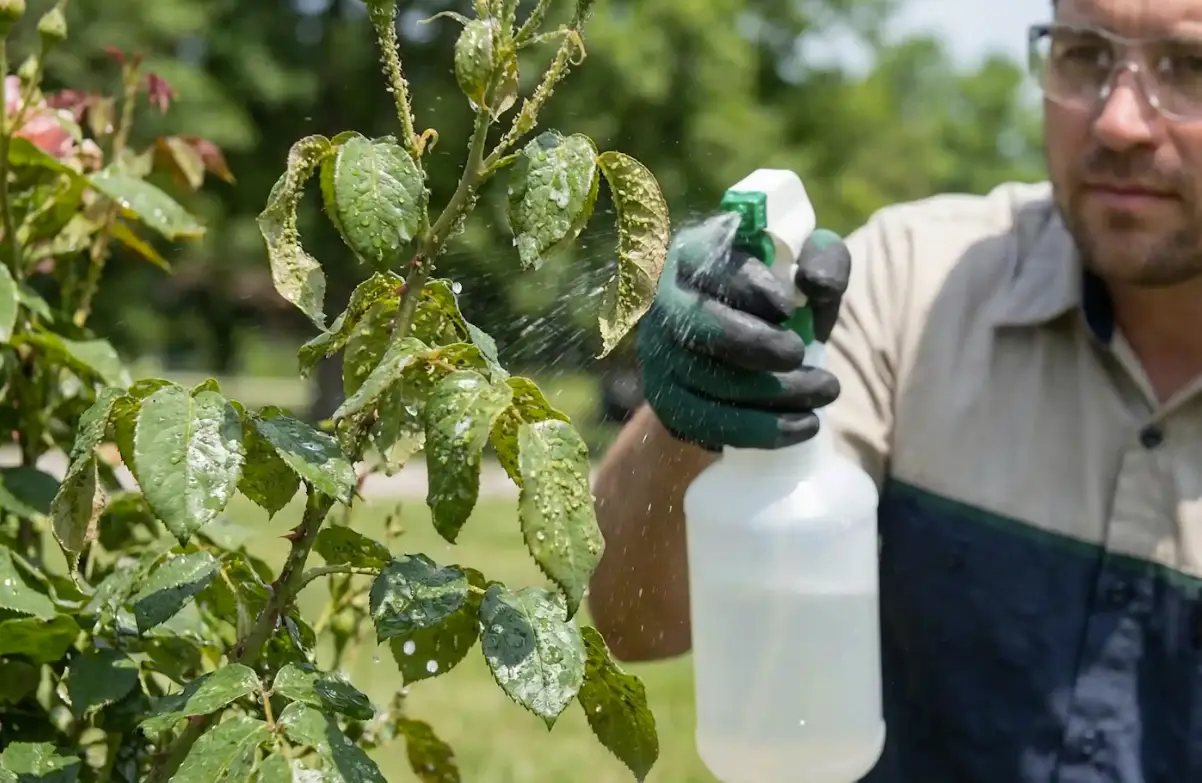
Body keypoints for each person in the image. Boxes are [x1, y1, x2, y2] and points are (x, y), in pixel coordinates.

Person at [587, 0, 1202, 780]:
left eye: (1190, 67)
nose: (1118, 123)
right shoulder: (911, 283)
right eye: (1084, 53)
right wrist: (697, 407)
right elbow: (633, 620)